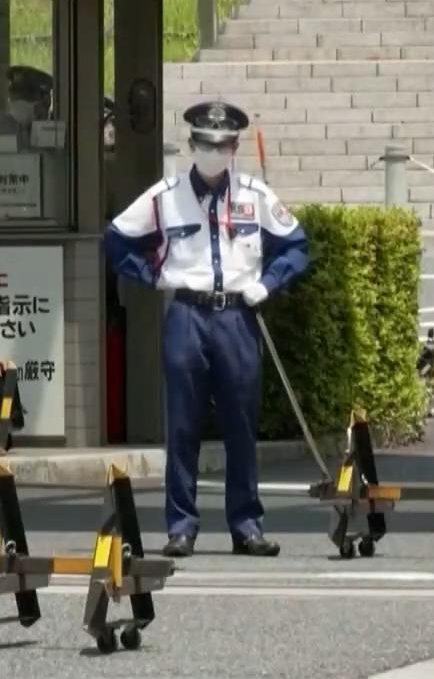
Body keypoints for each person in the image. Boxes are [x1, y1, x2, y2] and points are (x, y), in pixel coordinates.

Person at [102, 101, 311, 558]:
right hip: (188, 314)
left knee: (241, 424)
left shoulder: (255, 195)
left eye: (222, 145)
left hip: (237, 315)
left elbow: (296, 246)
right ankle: (181, 527)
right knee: (182, 425)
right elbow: (115, 239)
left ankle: (246, 525)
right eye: (205, 143)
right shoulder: (166, 195)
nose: (213, 152)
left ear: (234, 147)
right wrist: (152, 276)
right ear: (192, 145)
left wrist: (267, 283)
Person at [0, 65, 54, 145]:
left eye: (24, 98)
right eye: (14, 97)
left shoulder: (53, 130)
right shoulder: (2, 128)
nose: (15, 103)